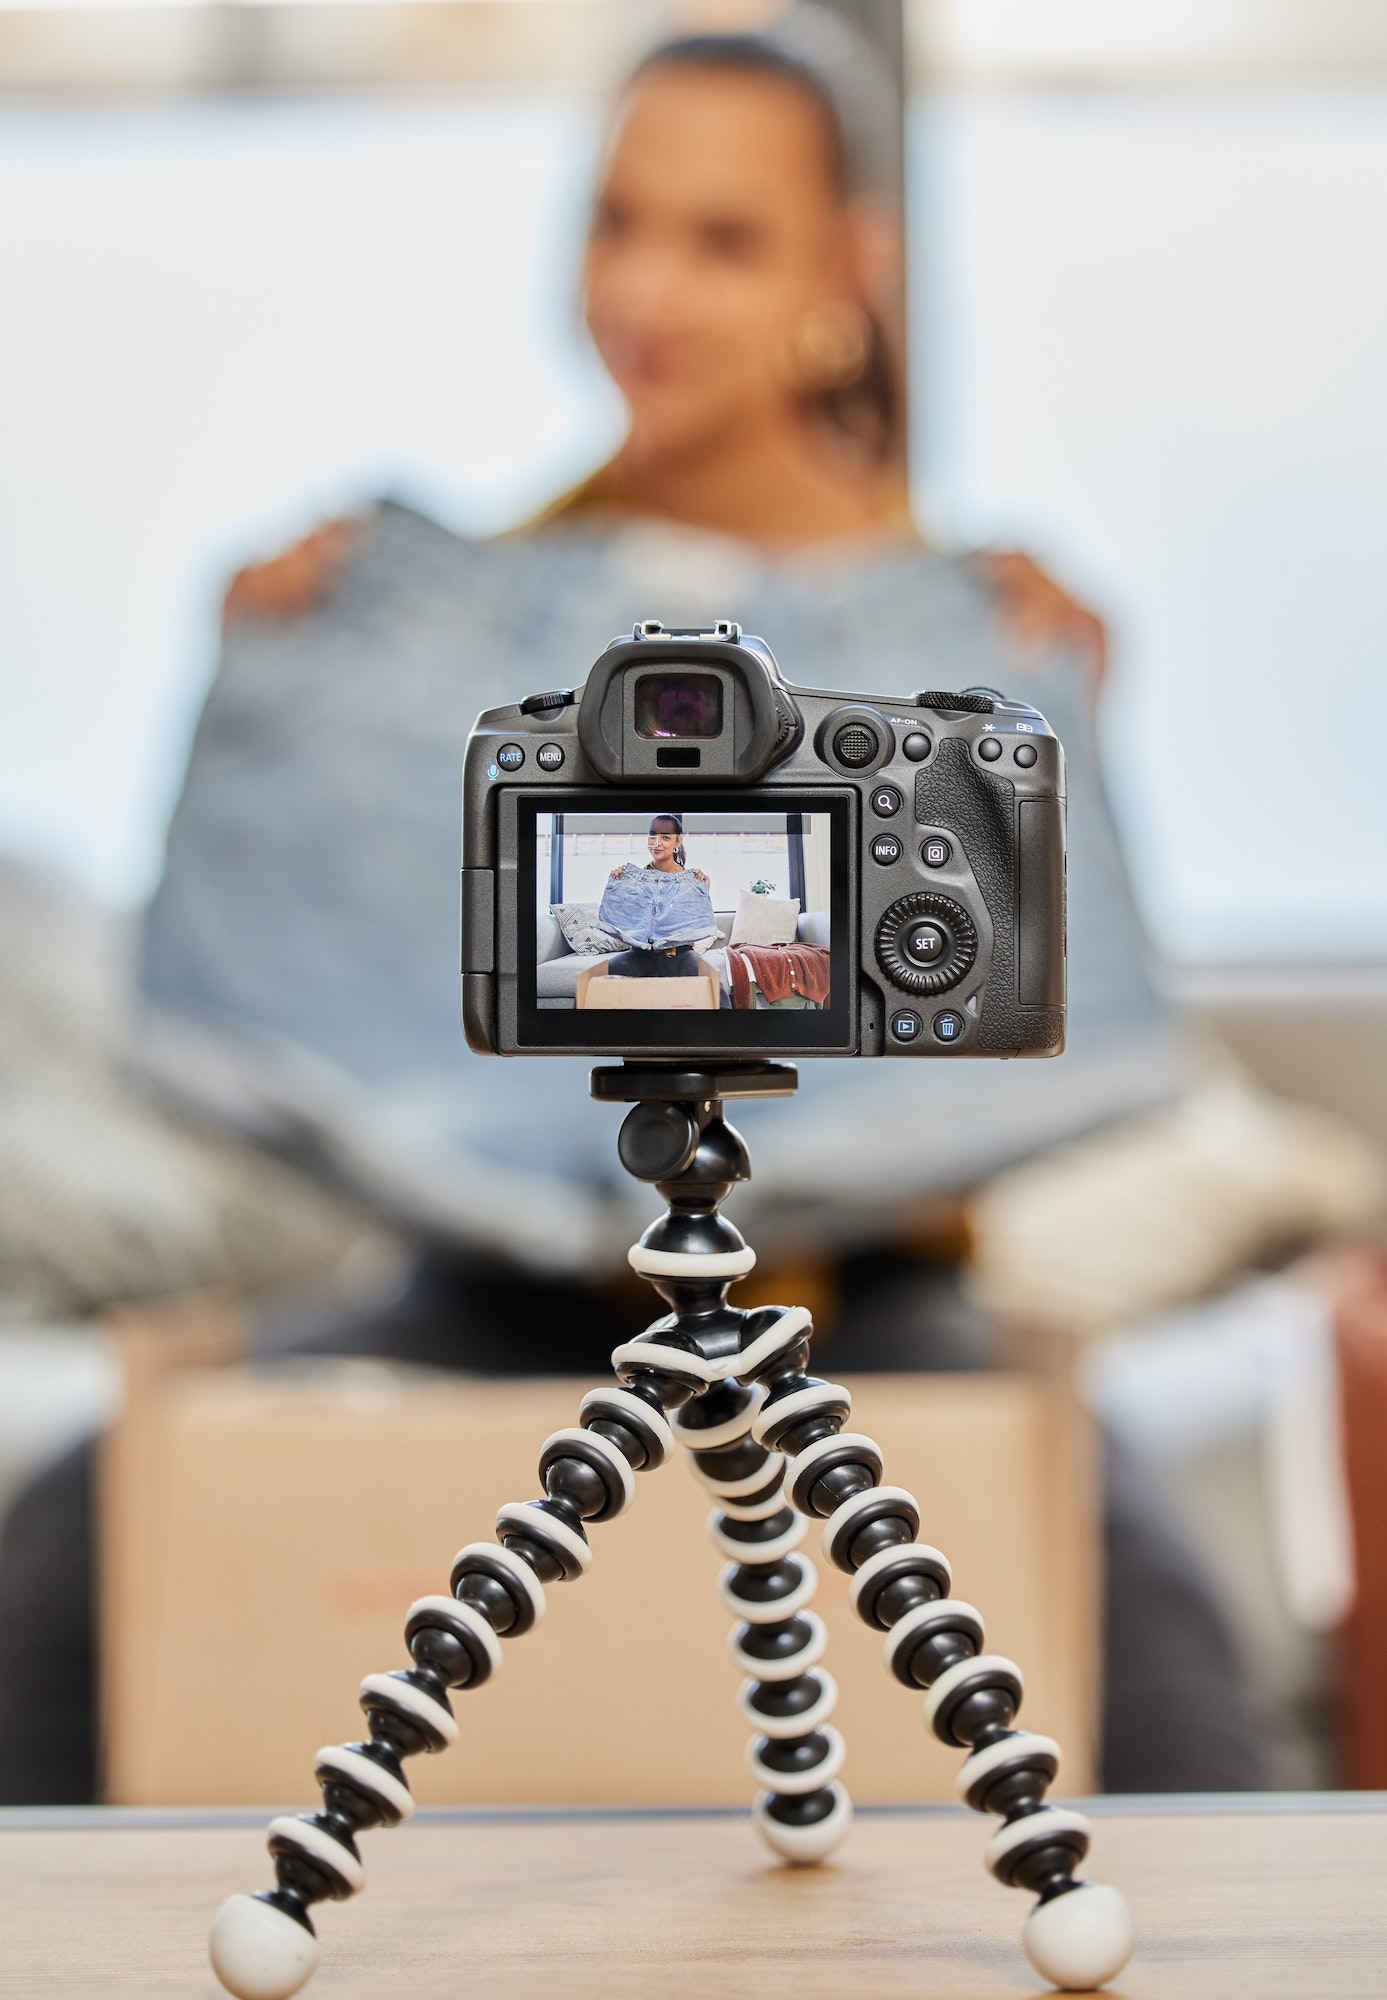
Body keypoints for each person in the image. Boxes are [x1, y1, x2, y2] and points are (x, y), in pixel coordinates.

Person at [0, 8, 1257, 1803]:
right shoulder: (428, 612)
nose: (647, 289)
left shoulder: (981, 626)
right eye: (616, 221)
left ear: (852, 268)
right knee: (70, 1531)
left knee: (1140, 1623)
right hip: (485, 1283)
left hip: (852, 1302)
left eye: (723, 238)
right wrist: (307, 675)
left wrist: (1010, 701)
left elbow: (1018, 1033)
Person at [599, 816, 717, 982]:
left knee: (714, 987)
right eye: (653, 836)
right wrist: (620, 882)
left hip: (680, 955)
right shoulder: (635, 881)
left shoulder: (692, 882)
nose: (657, 842)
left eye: (666, 837)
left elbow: (695, 921)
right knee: (592, 980)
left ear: (678, 842)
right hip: (641, 954)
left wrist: (702, 887)